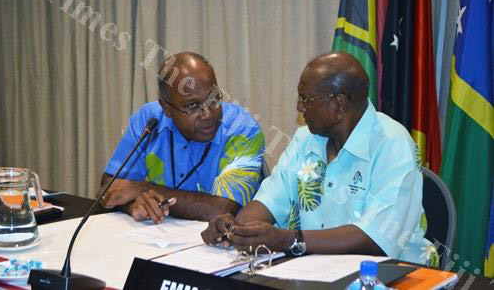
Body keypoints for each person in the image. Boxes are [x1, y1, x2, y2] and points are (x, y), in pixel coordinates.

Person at [202, 52, 437, 265]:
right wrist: (236, 227)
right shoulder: (306, 139)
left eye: (306, 99)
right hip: (316, 270)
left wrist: (289, 240)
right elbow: (272, 199)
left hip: (394, 274)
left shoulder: (393, 143)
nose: (299, 107)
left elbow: (377, 237)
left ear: (339, 105)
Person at [99, 52, 265, 223]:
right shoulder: (149, 121)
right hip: (161, 238)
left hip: (226, 244)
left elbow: (220, 209)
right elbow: (110, 187)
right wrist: (135, 205)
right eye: (192, 106)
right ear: (167, 108)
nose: (207, 114)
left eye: (213, 99)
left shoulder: (243, 130)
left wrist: (142, 189)